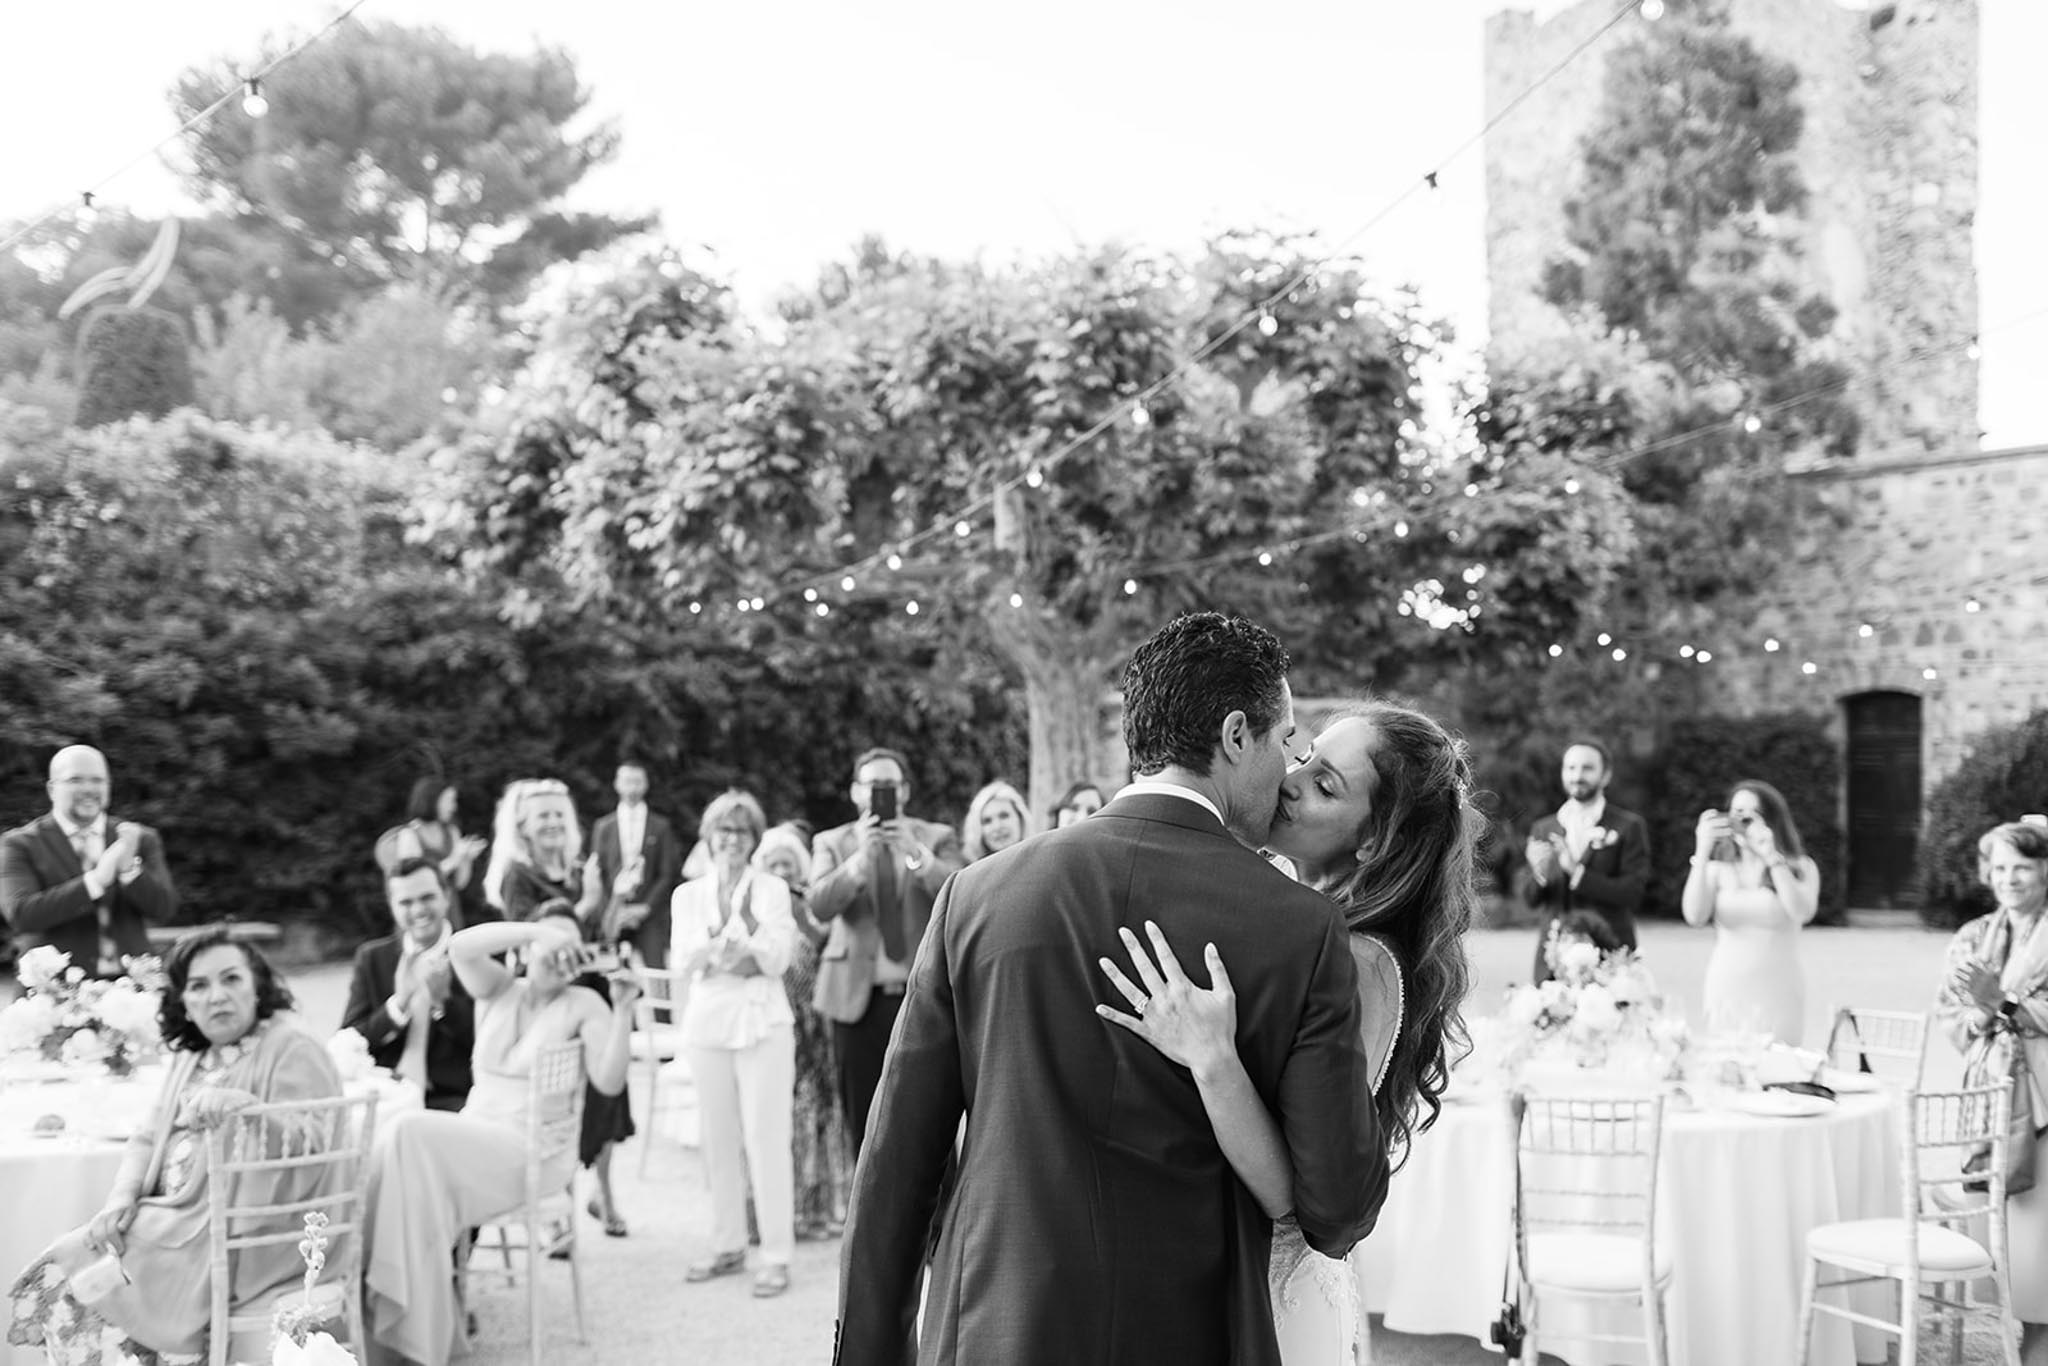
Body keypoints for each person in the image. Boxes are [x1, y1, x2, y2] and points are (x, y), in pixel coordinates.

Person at [834, 612, 1386, 1366]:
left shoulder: (976, 895)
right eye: (1282, 738)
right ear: (1234, 735)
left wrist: (866, 1354)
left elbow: (896, 1164)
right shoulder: (1301, 927)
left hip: (995, 1324)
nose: (1287, 770)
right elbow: (1336, 1210)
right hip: (1193, 1334)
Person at [1097, 700, 1476, 1366]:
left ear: (1372, 842)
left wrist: (1212, 1058)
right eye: (1304, 757)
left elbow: (1301, 1200)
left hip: (1273, 1295)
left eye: (1327, 784)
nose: (1293, 780)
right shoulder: (1303, 925)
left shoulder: (1357, 960)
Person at [7, 927, 344, 1365]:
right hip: (181, 1219)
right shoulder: (193, 1056)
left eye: (231, 979)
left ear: (258, 987)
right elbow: (148, 1136)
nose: (217, 995)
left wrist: (247, 1108)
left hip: (253, 1236)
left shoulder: (291, 1045)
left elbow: (314, 1138)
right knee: (85, 1253)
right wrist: (122, 1196)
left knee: (83, 1269)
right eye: (199, 986)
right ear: (184, 1000)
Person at [364, 916, 638, 1366]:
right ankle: (409, 1334)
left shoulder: (585, 1003)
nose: (559, 953)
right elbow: (460, 947)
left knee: (405, 1131)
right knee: (404, 1168)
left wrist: (624, 1009)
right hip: (476, 1138)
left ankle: (397, 1319)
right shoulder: (498, 988)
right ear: (527, 945)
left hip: (532, 1152)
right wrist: (536, 931)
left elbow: (608, 1082)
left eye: (571, 945)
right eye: (552, 942)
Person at [808, 747, 966, 1157]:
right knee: (863, 1127)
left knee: (929, 1123)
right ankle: (868, 1219)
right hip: (854, 1001)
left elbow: (962, 894)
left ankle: (937, 1220)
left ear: (906, 791)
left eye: (889, 786)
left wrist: (916, 856)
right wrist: (859, 862)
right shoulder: (832, 842)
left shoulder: (935, 837)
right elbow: (819, 905)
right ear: (855, 793)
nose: (882, 793)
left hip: (922, 997)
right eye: (872, 786)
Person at [673, 791, 800, 1296]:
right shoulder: (688, 895)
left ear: (753, 840)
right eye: (723, 830)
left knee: (766, 1140)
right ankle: (728, 1244)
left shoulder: (771, 889)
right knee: (717, 1139)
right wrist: (732, 949)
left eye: (741, 831)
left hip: (762, 1022)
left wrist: (731, 951)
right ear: (709, 836)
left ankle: (776, 1254)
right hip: (707, 1023)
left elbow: (777, 957)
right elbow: (685, 956)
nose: (731, 839)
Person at [1934, 819, 2048, 1366]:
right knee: (2002, 1230)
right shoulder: (1975, 934)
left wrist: (2003, 1003)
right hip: (1991, 1095)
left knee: (2038, 1232)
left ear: (2045, 869)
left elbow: (2025, 1009)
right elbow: (1948, 1013)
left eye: (2022, 867)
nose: (2009, 879)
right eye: (2000, 868)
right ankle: (2013, 1333)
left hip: (2043, 1099)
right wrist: (1978, 1013)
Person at [1, 744, 178, 977]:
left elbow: (164, 908)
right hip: (56, 991)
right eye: (75, 780)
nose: (89, 789)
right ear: (52, 789)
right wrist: (95, 881)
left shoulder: (138, 838)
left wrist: (129, 871)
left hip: (133, 992)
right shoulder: (18, 843)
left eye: (97, 780)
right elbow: (21, 915)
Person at [755, 822, 848, 1240]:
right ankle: (771, 1214)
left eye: (788, 864)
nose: (781, 871)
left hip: (814, 1026)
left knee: (817, 1116)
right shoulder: (754, 906)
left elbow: (827, 940)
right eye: (772, 864)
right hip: (771, 1023)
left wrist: (798, 913)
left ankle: (816, 1209)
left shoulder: (810, 904)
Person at [1681, 779, 1820, 1042]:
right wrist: (1702, 850)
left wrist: (1771, 857)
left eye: (1751, 816)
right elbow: (1694, 915)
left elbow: (1801, 912)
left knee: (1782, 1067)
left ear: (1772, 820)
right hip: (1727, 981)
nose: (1742, 823)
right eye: (1736, 814)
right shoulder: (1717, 870)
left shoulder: (1800, 867)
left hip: (1779, 985)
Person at [342, 857, 477, 1112]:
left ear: (446, 896)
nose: (418, 910)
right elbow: (349, 1043)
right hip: (388, 1099)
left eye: (427, 898)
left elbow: (488, 1041)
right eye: (406, 902)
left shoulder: (474, 954)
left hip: (458, 1101)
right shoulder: (372, 958)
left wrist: (443, 1003)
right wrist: (398, 1005)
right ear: (392, 906)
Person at [1518, 740, 1650, 983]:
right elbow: (1529, 899)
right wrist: (1540, 874)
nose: (1577, 776)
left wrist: (1576, 871)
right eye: (1570, 768)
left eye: (1587, 768)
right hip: (1553, 963)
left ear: (1605, 775)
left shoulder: (1629, 826)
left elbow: (1633, 893)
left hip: (1612, 958)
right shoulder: (1543, 827)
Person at [585, 760, 685, 970]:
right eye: (627, 781)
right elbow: (598, 874)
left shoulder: (660, 826)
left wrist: (645, 908)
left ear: (646, 785)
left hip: (648, 915)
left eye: (637, 782)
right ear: (617, 784)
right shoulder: (604, 827)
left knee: (656, 973)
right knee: (608, 971)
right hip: (613, 914)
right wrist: (613, 908)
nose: (632, 788)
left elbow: (667, 874)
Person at [480, 779, 587, 923]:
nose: (554, 823)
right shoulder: (517, 873)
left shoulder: (578, 868)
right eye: (543, 816)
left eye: (560, 815)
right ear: (522, 827)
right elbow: (529, 937)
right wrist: (587, 903)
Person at [376, 778, 488, 914]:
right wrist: (455, 859)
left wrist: (466, 859)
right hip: (422, 912)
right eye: (448, 800)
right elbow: (414, 880)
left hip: (450, 909)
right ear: (432, 801)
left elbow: (459, 884)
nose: (453, 807)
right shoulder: (410, 834)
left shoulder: (452, 831)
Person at [960, 779, 1032, 862]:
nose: (997, 827)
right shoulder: (970, 873)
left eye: (1004, 816)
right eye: (987, 821)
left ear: (1020, 818)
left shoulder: (1043, 862)